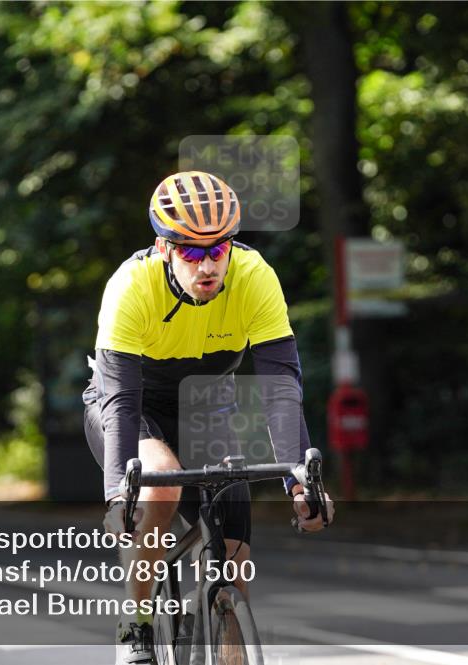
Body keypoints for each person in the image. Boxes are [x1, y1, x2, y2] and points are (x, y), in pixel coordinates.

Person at [83, 171, 335, 664]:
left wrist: (301, 483)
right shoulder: (130, 287)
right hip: (132, 408)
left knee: (234, 558)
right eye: (192, 253)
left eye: (218, 250)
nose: (208, 265)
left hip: (204, 408)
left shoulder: (254, 276)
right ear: (163, 248)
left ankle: (225, 632)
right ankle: (134, 623)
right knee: (159, 486)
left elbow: (280, 387)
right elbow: (120, 401)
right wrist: (119, 492)